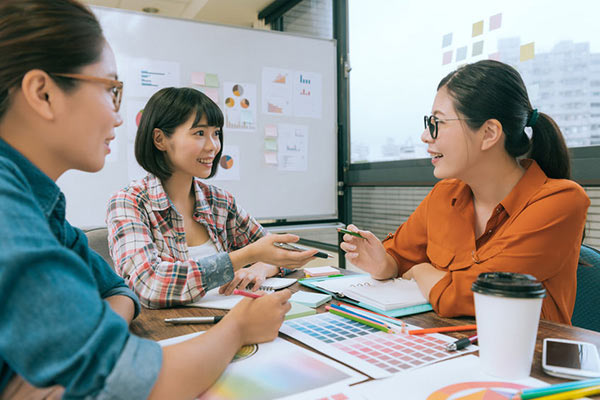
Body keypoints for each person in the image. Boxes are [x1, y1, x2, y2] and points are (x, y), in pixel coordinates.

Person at [0, 1, 293, 398]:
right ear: (43, 93)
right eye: (110, 90)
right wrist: (239, 327)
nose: (118, 117)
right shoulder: (13, 208)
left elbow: (118, 293)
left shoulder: (45, 207)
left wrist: (89, 346)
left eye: (216, 134)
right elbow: (128, 371)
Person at [341, 60, 590, 325]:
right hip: (445, 346)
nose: (426, 135)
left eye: (438, 122)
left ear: (489, 133)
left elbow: (472, 296)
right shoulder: (445, 194)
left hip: (525, 359)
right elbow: (400, 256)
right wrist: (383, 265)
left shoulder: (560, 202)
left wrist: (422, 270)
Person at [106, 87, 317, 309]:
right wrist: (246, 256)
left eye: (216, 133)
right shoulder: (128, 202)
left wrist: (262, 267)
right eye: (199, 133)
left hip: (231, 322)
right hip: (167, 333)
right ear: (160, 139)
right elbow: (150, 286)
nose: (213, 146)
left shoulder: (219, 201)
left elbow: (280, 250)